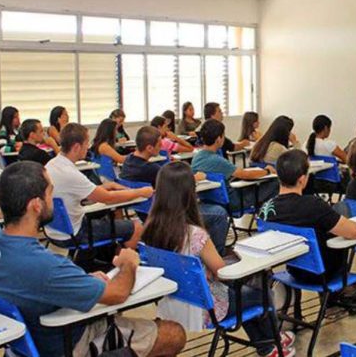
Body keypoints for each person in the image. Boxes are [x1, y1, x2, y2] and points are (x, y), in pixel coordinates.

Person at [0, 161, 186, 357]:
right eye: (51, 192)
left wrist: (80, 281)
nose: (54, 198)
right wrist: (128, 263)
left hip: (25, 346)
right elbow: (118, 293)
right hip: (69, 344)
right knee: (174, 334)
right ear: (35, 205)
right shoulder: (46, 267)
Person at [141, 162, 295, 357]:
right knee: (261, 291)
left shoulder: (150, 228)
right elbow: (223, 272)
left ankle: (270, 343)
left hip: (179, 300)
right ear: (190, 192)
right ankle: (272, 345)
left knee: (249, 287)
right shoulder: (194, 234)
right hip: (209, 306)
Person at [121, 126, 230, 255]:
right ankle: (217, 254)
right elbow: (179, 182)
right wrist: (196, 177)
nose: (162, 147)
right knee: (219, 213)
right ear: (149, 148)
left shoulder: (128, 162)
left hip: (147, 215)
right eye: (159, 144)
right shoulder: (152, 170)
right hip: (172, 216)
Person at [44, 123, 153, 249]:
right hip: (75, 234)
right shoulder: (71, 173)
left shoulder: (51, 165)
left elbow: (84, 192)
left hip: (55, 230)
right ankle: (121, 264)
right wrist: (140, 192)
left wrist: (106, 186)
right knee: (136, 227)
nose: (88, 147)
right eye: (86, 144)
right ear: (76, 147)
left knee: (107, 220)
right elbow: (107, 198)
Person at [261, 150, 356, 283]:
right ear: (302, 179)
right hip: (325, 272)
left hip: (294, 271)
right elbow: (355, 232)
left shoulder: (266, 209)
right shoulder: (313, 205)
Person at [192, 119, 277, 213]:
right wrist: (267, 171)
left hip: (210, 199)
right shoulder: (217, 160)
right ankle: (266, 217)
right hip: (232, 201)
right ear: (219, 139)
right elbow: (245, 175)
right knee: (275, 183)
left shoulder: (197, 157)